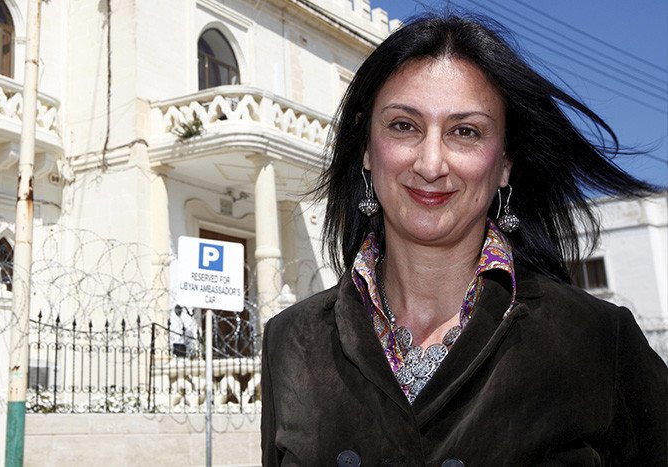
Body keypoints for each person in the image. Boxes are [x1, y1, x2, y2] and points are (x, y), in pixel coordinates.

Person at [260, 14, 668, 466]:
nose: (431, 163)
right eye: (403, 125)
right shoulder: (291, 341)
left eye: (465, 132)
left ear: (505, 162)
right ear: (367, 147)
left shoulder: (597, 341)